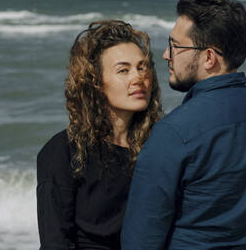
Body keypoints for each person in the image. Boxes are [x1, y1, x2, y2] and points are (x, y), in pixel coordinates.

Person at [121, 0, 246, 249]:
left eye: (175, 45)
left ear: (208, 57)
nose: (165, 55)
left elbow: (140, 242)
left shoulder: (173, 132)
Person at [37, 20, 162, 250]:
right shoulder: (63, 151)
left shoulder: (159, 147)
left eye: (142, 67)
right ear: (95, 82)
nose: (138, 78)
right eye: (123, 70)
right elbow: (55, 242)